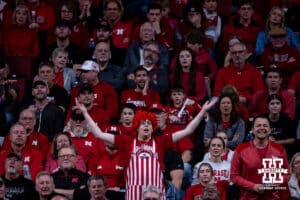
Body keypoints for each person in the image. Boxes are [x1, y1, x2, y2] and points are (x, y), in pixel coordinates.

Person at [75, 96, 218, 199]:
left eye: (149, 124)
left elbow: (187, 131)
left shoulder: (161, 141)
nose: (146, 125)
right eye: (143, 123)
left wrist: (201, 112)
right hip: (133, 191)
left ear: (152, 128)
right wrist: (86, 113)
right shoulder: (126, 141)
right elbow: (99, 134)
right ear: (137, 127)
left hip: (155, 191)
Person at [230, 115, 290, 199]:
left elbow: (286, 173)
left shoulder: (279, 149)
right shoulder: (240, 149)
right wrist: (253, 186)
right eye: (258, 125)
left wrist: (274, 184)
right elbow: (234, 175)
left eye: (265, 125)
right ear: (252, 130)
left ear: (269, 130)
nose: (262, 128)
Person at [213, 42, 264, 106]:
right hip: (228, 105)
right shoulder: (222, 72)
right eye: (234, 53)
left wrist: (246, 99)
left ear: (246, 54)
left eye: (240, 52)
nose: (237, 55)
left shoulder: (255, 71)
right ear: (231, 55)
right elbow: (217, 93)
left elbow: (259, 93)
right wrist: (230, 100)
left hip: (248, 105)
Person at [88, 126, 126, 199]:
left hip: (119, 193)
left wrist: (119, 188)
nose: (111, 139)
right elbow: (92, 178)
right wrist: (105, 189)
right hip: (98, 192)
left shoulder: (126, 157)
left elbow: (127, 180)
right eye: (108, 136)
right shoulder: (96, 157)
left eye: (114, 137)